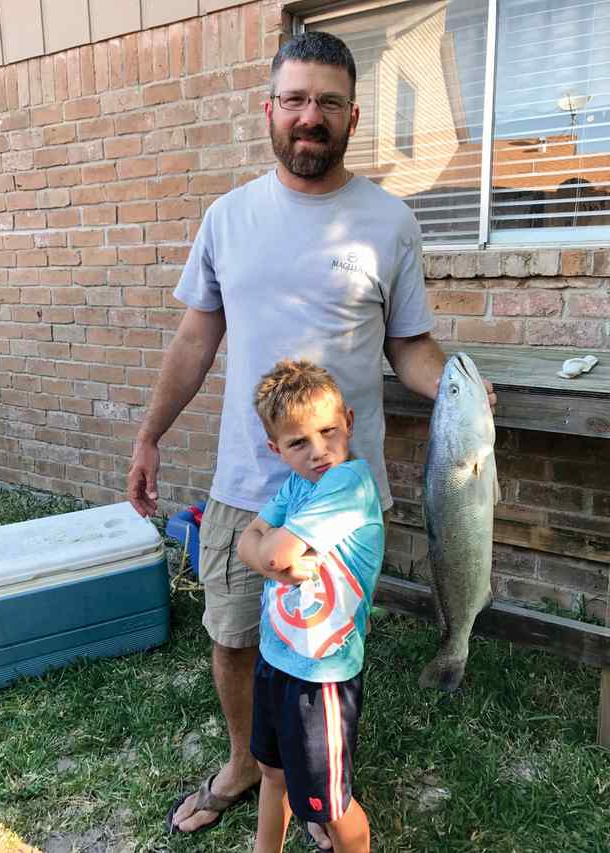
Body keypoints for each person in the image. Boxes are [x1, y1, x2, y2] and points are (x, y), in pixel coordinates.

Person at [128, 30, 496, 847]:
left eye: (328, 102)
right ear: (269, 109)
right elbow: (195, 340)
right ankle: (246, 762)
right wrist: (150, 434)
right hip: (244, 483)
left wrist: (461, 387)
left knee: (327, 647)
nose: (310, 117)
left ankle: (323, 783)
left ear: (352, 115)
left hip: (338, 495)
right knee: (234, 633)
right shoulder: (228, 217)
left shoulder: (389, 221)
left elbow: (409, 345)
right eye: (294, 99)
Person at [237, 359, 383, 853]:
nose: (319, 451)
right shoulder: (297, 486)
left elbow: (268, 548)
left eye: (327, 432)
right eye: (299, 442)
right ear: (276, 449)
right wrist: (272, 558)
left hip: (321, 677)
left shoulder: (349, 484)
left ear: (349, 421)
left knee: (330, 806)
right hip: (277, 657)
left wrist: (271, 555)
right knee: (271, 771)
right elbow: (246, 544)